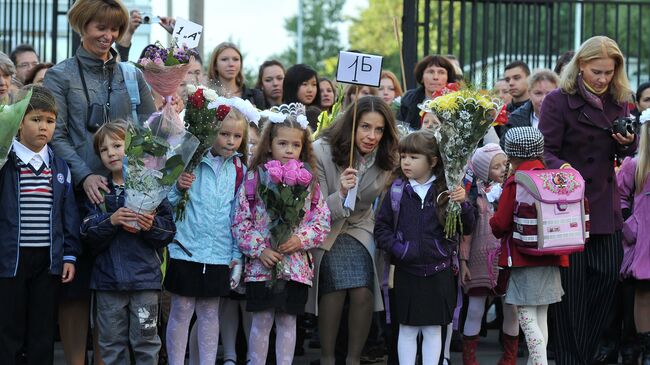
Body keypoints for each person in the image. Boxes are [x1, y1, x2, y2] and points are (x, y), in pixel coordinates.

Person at [42, 1, 157, 364]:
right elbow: (55, 135)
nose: (108, 36)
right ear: (81, 26)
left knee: (123, 288)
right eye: (100, 28)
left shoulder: (131, 74)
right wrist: (85, 174)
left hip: (130, 196)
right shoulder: (59, 76)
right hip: (78, 196)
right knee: (74, 288)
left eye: (114, 30)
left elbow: (151, 129)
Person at [538, 35, 637, 365]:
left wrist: (625, 143)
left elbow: (623, 152)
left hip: (605, 207)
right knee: (571, 292)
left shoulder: (619, 100)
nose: (603, 78)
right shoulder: (557, 100)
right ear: (580, 65)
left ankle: (584, 354)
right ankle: (570, 358)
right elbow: (546, 151)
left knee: (608, 278)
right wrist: (566, 171)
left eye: (609, 72)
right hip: (568, 207)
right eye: (597, 71)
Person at [233, 108, 331, 365]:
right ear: (268, 146)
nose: (289, 149)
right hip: (261, 267)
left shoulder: (310, 183)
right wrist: (260, 250)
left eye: (296, 144)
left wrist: (300, 240)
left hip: (296, 267)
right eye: (282, 143)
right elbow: (240, 222)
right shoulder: (254, 179)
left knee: (288, 322)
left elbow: (321, 222)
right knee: (262, 321)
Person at [309, 95, 399, 365]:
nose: (372, 136)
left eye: (379, 129)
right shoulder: (321, 150)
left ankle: (353, 359)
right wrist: (342, 191)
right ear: (351, 125)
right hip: (327, 226)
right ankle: (326, 358)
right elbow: (318, 210)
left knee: (362, 290)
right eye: (365, 127)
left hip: (361, 225)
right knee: (335, 287)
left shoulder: (387, 156)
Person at [374, 129, 474, 365]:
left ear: (433, 161)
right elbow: (381, 229)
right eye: (404, 156)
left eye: (414, 157)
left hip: (438, 271)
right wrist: (400, 250)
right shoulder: (397, 190)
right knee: (407, 329)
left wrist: (464, 204)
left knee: (432, 329)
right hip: (407, 271)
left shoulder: (447, 191)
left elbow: (466, 226)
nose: (406, 162)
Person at [81, 121, 176, 364]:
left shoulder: (153, 185)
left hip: (145, 284)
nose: (111, 153)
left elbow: (168, 231)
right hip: (108, 284)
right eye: (104, 149)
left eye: (117, 145)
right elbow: (87, 233)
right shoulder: (99, 190)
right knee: (111, 347)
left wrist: (150, 225)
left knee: (146, 343)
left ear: (133, 147)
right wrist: (110, 220)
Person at [0, 85, 81, 364]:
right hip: (11, 260)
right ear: (19, 122)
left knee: (42, 329)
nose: (43, 127)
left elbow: (68, 214)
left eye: (50, 120)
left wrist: (69, 255)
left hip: (48, 262)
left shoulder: (59, 167)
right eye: (36, 120)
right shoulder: (6, 162)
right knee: (8, 328)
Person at [165, 105, 249, 365]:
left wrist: (236, 255)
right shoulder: (189, 160)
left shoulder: (239, 170)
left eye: (237, 137)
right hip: (185, 247)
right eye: (225, 134)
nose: (231, 141)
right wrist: (178, 187)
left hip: (219, 253)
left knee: (210, 312)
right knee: (181, 309)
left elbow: (239, 216)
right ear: (210, 130)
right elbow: (165, 201)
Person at [490, 127, 568, 365]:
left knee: (526, 316)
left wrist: (493, 219)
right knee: (541, 315)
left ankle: (540, 363)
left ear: (511, 154)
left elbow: (500, 224)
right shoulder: (552, 178)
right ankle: (537, 363)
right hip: (553, 255)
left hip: (524, 259)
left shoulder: (517, 182)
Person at [460, 143, 520, 365]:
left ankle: (509, 358)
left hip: (506, 257)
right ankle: (470, 358)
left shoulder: (511, 189)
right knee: (476, 308)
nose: (503, 169)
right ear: (484, 170)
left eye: (505, 164)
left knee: (511, 308)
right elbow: (465, 232)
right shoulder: (472, 193)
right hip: (478, 257)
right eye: (496, 166)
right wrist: (463, 259)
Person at [619, 108, 650, 365]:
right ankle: (645, 346)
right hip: (645, 238)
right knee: (643, 292)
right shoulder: (635, 165)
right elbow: (618, 197)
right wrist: (631, 223)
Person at [398, 55, 458, 130]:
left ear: (448, 78)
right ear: (422, 77)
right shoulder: (409, 100)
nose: (435, 77)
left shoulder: (458, 102)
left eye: (441, 72)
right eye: (430, 72)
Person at [501, 69, 558, 139]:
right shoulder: (515, 120)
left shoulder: (568, 118)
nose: (544, 99)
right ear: (529, 94)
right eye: (538, 93)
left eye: (549, 93)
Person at [208, 42, 265, 107]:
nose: (231, 64)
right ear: (215, 65)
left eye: (236, 59)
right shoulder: (205, 97)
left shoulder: (255, 96)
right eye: (224, 59)